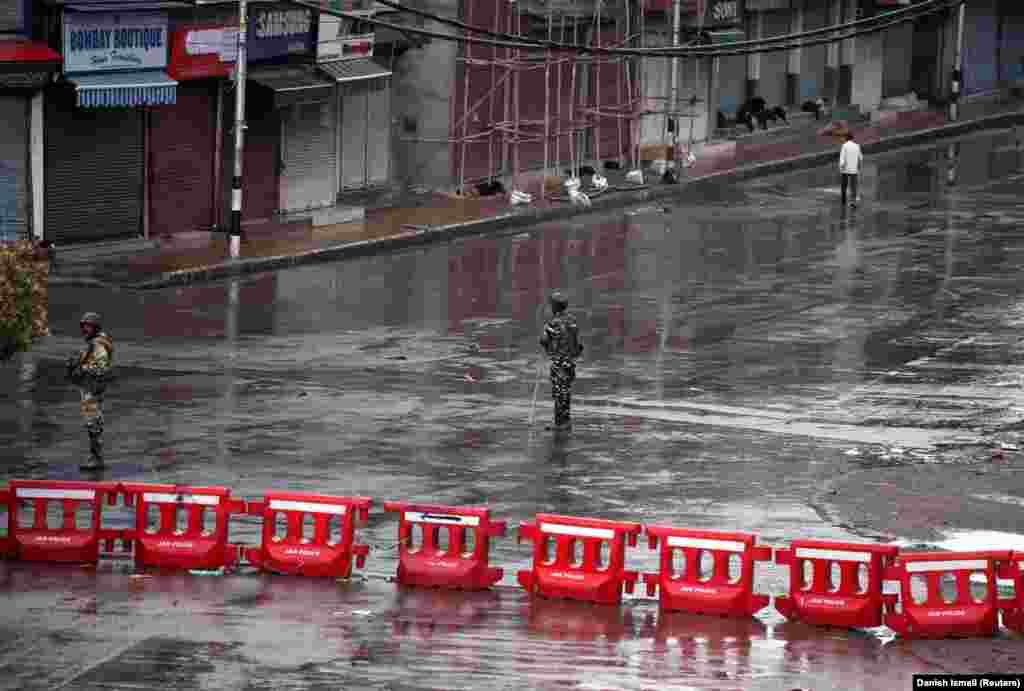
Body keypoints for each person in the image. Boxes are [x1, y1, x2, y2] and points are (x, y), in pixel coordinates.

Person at [66, 312, 113, 470]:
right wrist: (77, 361)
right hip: (89, 387)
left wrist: (81, 368)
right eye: (84, 326)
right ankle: (95, 458)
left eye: (89, 326)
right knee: (91, 422)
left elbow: (100, 367)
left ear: (95, 327)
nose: (85, 329)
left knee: (93, 423)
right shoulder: (93, 343)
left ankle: (96, 459)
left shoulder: (99, 343)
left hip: (93, 388)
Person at [539, 292, 583, 431]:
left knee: (559, 392)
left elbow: (544, 340)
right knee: (566, 391)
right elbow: (577, 344)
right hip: (570, 362)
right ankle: (566, 421)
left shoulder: (553, 323)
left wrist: (546, 344)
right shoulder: (573, 321)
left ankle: (560, 423)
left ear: (554, 307)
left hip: (559, 362)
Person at [839, 131, 862, 207]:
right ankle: (853, 201)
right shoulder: (857, 146)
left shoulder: (844, 146)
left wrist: (841, 167)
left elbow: (842, 158)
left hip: (845, 169)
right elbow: (860, 158)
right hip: (854, 169)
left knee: (844, 186)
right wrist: (859, 166)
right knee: (853, 186)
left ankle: (843, 201)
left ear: (846, 138)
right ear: (852, 138)